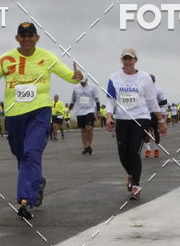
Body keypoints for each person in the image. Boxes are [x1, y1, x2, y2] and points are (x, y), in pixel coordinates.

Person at [0, 21, 82, 219]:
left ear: (37, 38)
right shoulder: (6, 59)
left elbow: (68, 75)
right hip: (14, 115)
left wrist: (76, 76)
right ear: (17, 38)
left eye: (30, 35)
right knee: (20, 154)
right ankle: (37, 182)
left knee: (31, 153)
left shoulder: (47, 57)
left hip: (39, 113)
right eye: (23, 35)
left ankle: (25, 200)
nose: (27, 39)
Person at [105, 48, 167, 200]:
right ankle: (131, 175)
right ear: (122, 60)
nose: (127, 61)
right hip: (122, 119)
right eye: (125, 58)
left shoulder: (144, 77)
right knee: (122, 153)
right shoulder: (114, 77)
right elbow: (110, 99)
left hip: (140, 118)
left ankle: (136, 185)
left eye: (130, 58)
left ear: (135, 60)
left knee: (133, 151)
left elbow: (152, 101)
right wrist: (108, 116)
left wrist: (160, 120)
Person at [69, 77, 100, 155]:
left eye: (83, 82)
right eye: (80, 82)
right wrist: (69, 109)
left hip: (90, 110)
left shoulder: (92, 87)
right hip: (80, 112)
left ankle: (89, 145)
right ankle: (86, 147)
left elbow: (97, 100)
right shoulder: (76, 88)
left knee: (89, 128)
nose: (82, 83)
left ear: (86, 80)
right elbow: (73, 100)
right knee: (83, 130)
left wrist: (98, 111)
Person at [145, 74, 168, 158]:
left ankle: (156, 149)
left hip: (155, 113)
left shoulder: (158, 90)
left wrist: (155, 104)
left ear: (154, 81)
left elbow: (164, 101)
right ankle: (148, 149)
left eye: (150, 80)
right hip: (145, 113)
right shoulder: (143, 89)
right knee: (146, 132)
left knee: (156, 132)